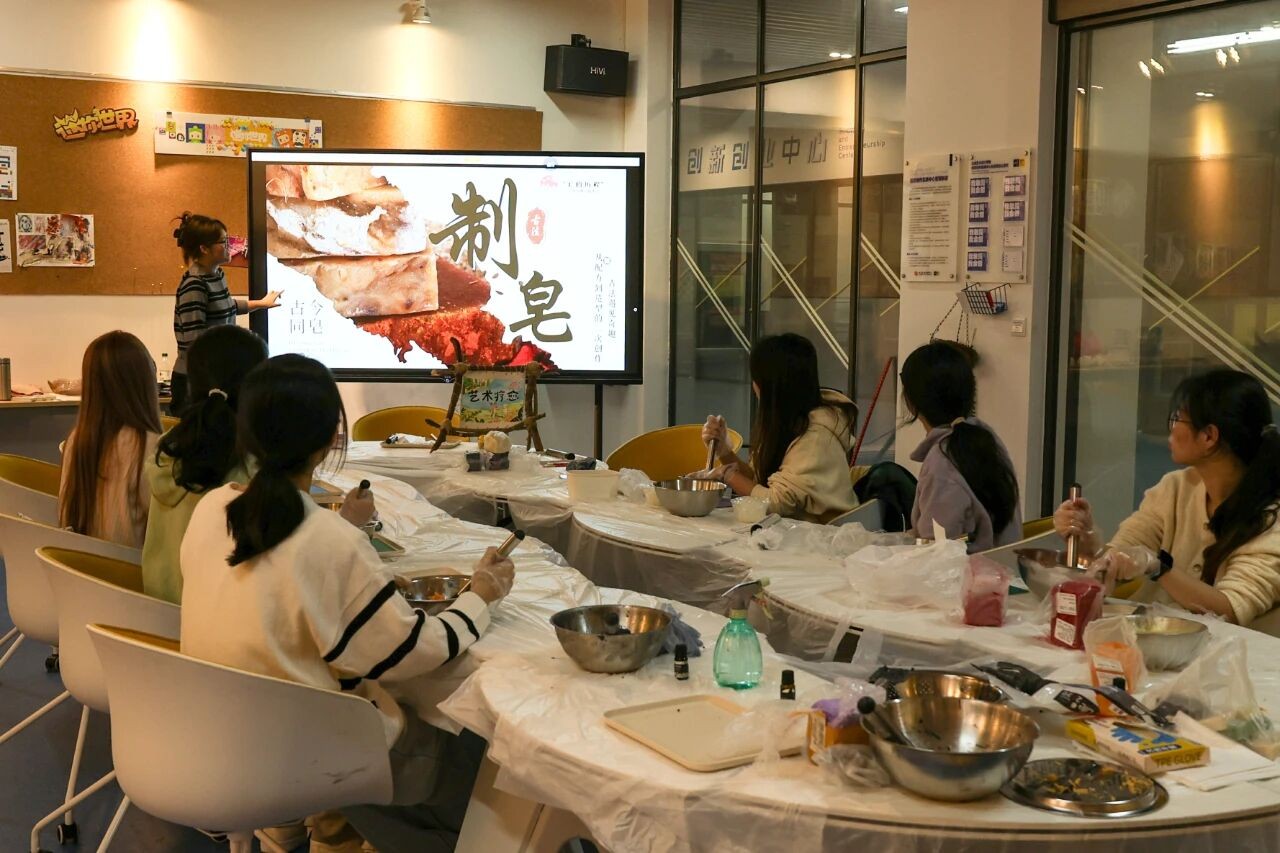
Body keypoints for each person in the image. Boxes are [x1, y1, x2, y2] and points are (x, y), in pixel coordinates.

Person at [180, 354, 514, 851]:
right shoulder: (329, 541)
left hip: (210, 735)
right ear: (328, 440)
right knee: (487, 760)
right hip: (308, 753)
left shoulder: (212, 509)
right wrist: (481, 594)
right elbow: (413, 651)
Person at [1055, 369, 1280, 630]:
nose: (1170, 430)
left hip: (1230, 653)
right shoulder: (1175, 488)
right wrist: (1089, 543)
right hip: (1152, 640)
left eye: (1177, 419)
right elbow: (1125, 553)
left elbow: (1230, 608)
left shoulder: (1271, 518)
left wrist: (1158, 568)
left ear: (1209, 436)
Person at [701, 333, 859, 523]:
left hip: (827, 535)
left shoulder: (817, 437)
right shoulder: (788, 421)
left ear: (768, 387)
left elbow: (776, 502)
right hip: (794, 531)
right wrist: (724, 452)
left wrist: (727, 475)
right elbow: (758, 481)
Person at [900, 341, 1021, 552]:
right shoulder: (987, 438)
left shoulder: (941, 463)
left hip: (969, 571)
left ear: (911, 402)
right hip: (1005, 566)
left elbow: (935, 554)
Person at [59, 331, 162, 548]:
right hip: (129, 567)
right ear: (145, 382)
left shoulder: (77, 440)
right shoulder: (148, 444)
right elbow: (163, 529)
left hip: (82, 563)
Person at [169, 212, 281, 412]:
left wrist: (261, 304)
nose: (231, 245)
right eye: (224, 241)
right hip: (194, 382)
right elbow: (194, 343)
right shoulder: (194, 284)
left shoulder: (217, 274)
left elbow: (226, 306)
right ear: (204, 249)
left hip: (216, 377)